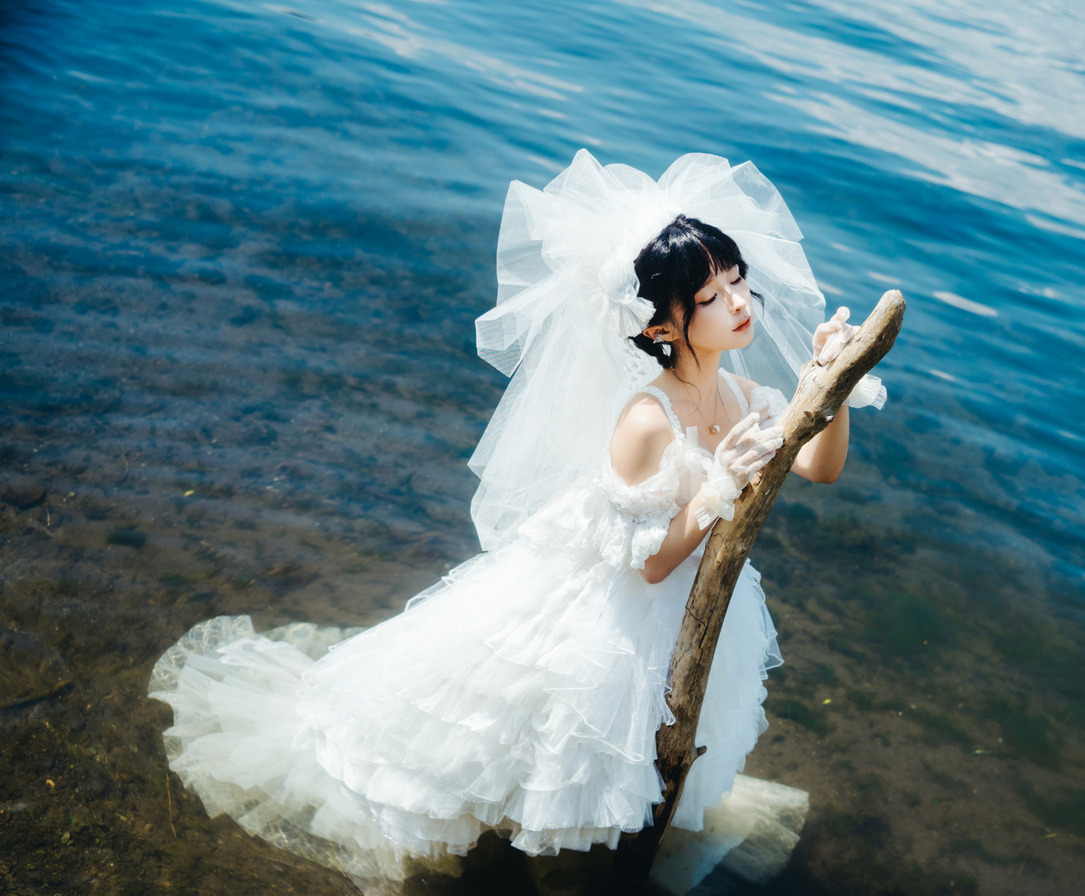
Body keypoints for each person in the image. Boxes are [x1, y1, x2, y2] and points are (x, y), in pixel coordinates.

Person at [147, 150, 885, 891]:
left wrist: (836, 385)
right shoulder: (645, 420)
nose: (739, 301)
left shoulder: (744, 396)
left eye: (737, 280)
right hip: (619, 610)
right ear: (664, 324)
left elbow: (820, 466)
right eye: (711, 294)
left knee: (630, 767)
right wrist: (716, 488)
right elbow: (649, 563)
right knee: (532, 749)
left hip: (693, 608)